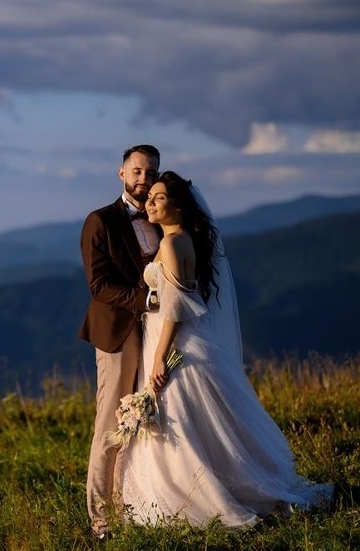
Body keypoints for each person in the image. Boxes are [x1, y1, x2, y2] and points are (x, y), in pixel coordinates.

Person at [120, 171, 333, 528]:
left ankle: (195, 494)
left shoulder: (172, 244)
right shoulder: (180, 239)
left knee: (180, 420)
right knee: (199, 421)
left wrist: (159, 356)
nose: (150, 203)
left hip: (175, 344)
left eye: (158, 198)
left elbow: (175, 307)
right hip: (186, 340)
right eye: (150, 197)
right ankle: (226, 480)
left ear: (178, 206)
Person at [79, 144, 162, 537]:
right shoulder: (100, 221)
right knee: (110, 423)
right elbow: (98, 285)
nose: (144, 179)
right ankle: (100, 519)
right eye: (137, 171)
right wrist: (145, 300)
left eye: (150, 172)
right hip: (117, 332)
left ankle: (129, 503)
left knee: (141, 421)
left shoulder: (162, 217)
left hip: (156, 333)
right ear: (122, 173)